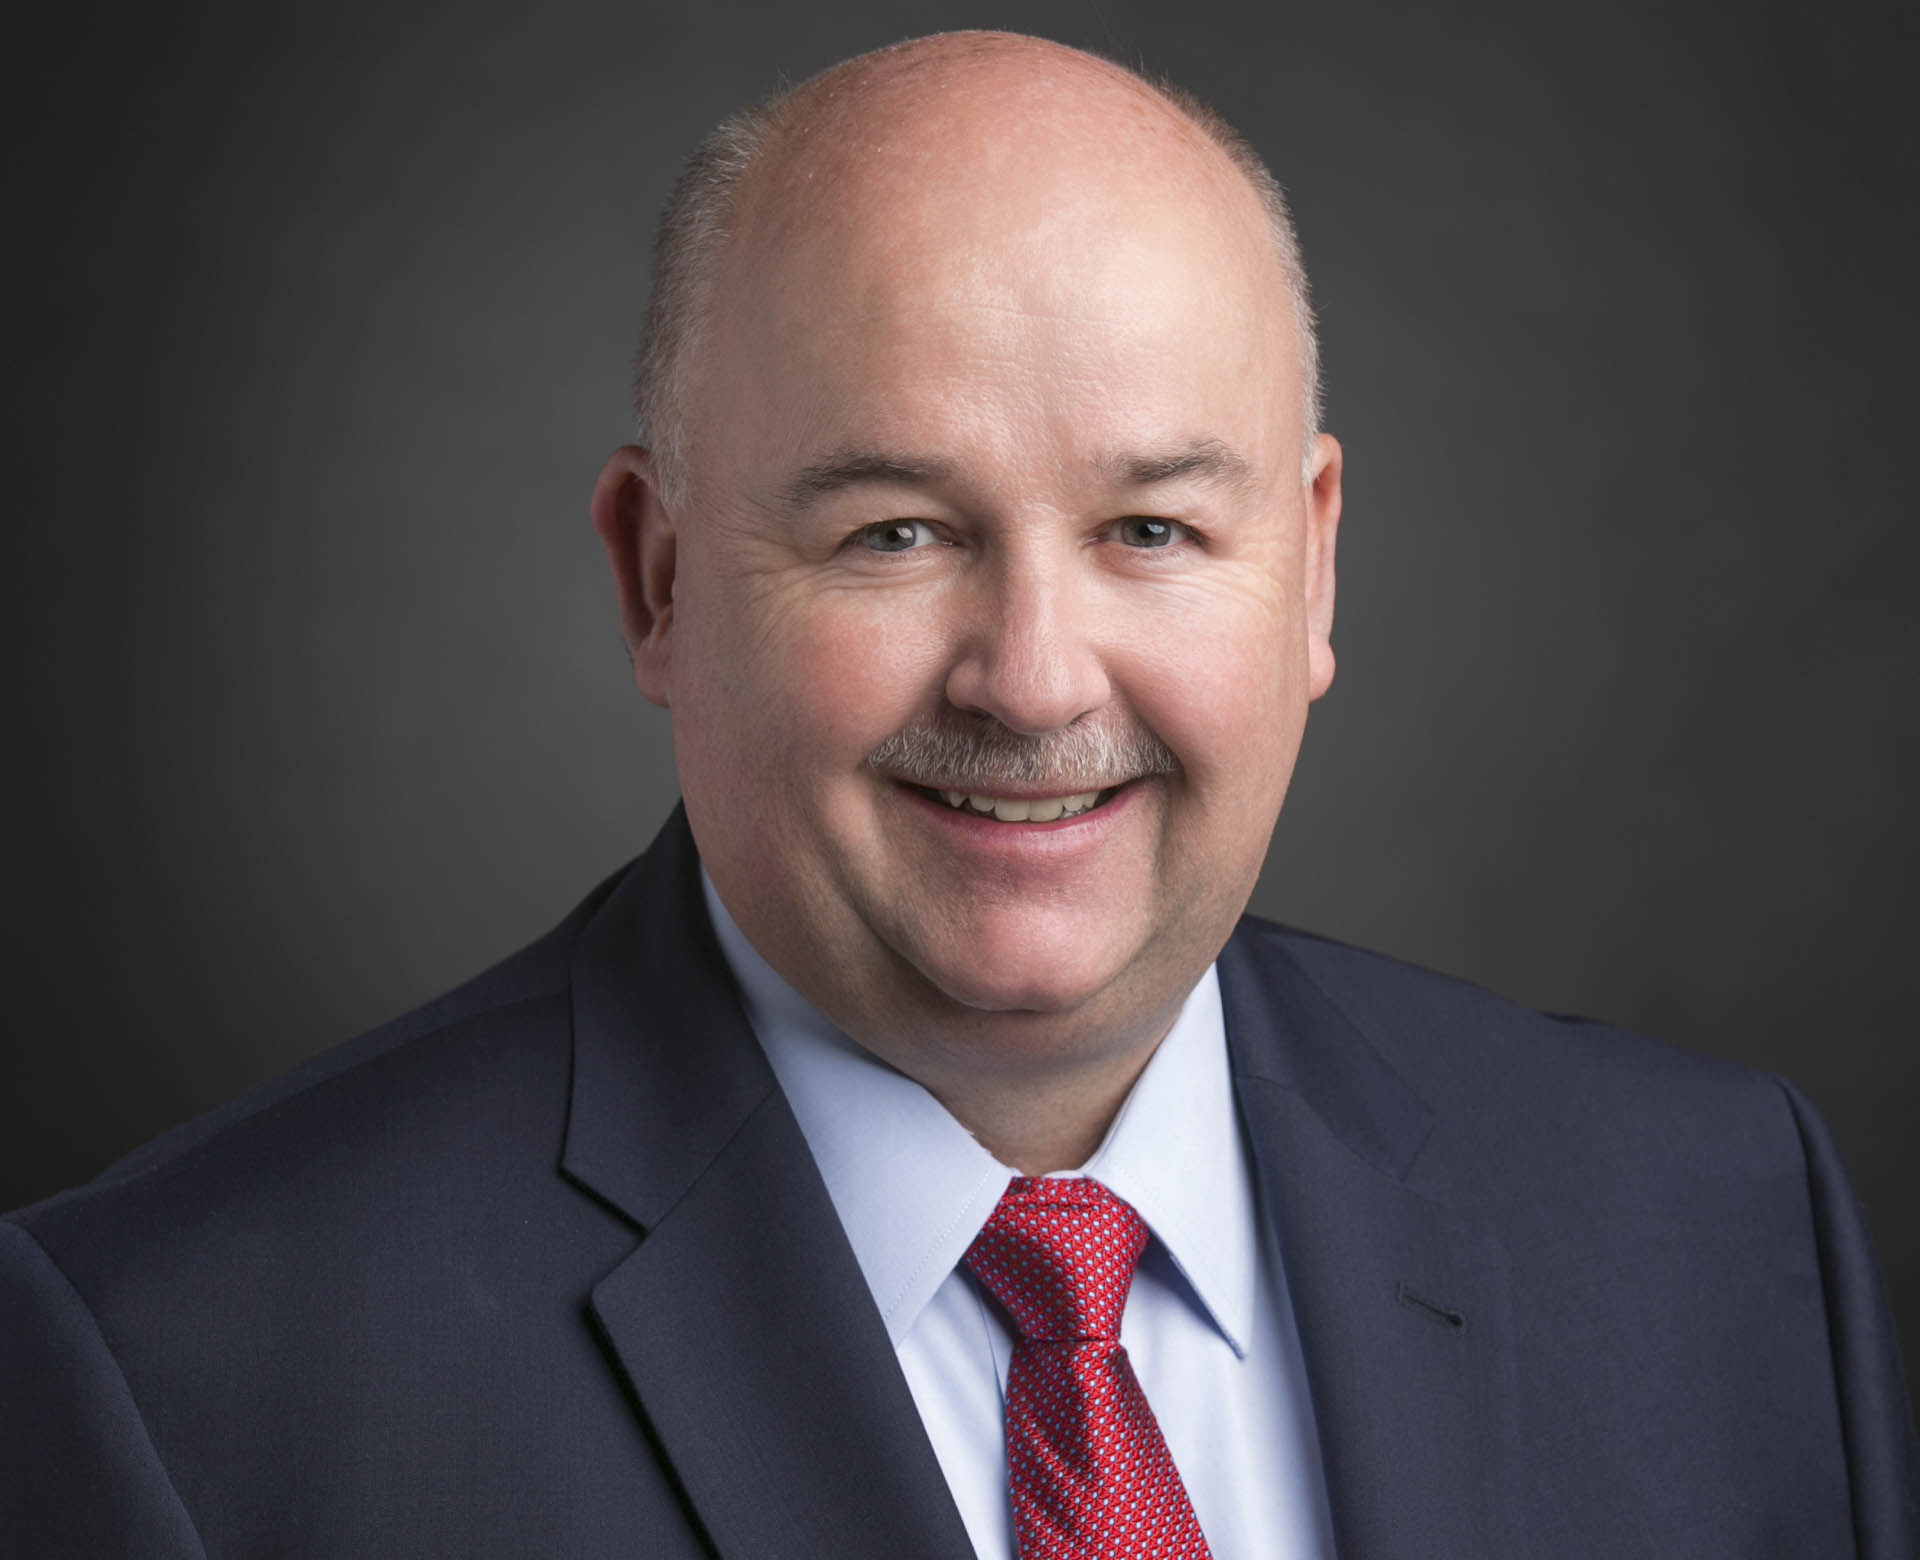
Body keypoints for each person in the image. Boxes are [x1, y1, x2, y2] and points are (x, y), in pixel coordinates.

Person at [2, 29, 1913, 1559]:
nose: (1035, 676)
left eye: (1154, 527)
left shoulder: (1715, 1229)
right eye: (895, 530)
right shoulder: (180, 1380)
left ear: (1313, 570)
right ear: (657, 578)